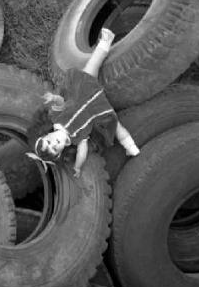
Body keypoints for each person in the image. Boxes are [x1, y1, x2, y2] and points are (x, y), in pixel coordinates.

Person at [26, 28, 140, 178]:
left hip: (84, 92)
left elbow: (61, 102)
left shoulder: (56, 117)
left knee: (92, 66)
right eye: (55, 148)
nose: (54, 143)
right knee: (116, 126)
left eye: (49, 141)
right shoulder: (76, 138)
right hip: (97, 108)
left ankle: (105, 42)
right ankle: (131, 147)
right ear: (61, 150)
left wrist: (53, 98)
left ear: (48, 134)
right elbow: (82, 152)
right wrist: (78, 168)